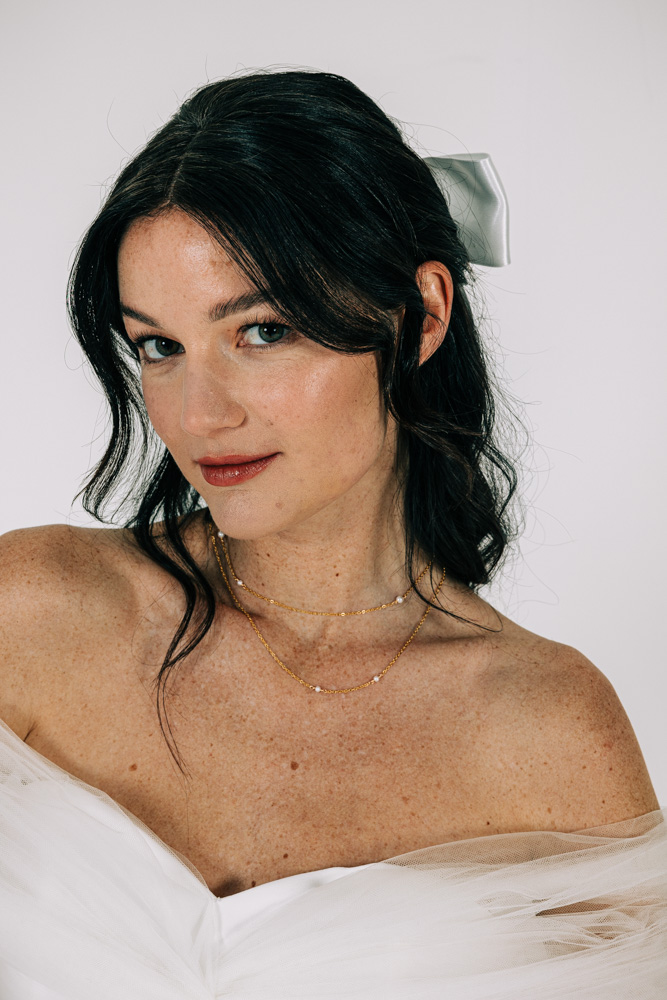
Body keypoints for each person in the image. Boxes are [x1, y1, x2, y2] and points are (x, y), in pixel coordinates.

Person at [0, 68, 665, 998]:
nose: (198, 416)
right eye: (159, 346)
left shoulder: (547, 731)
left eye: (263, 331)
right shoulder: (31, 611)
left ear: (421, 316)